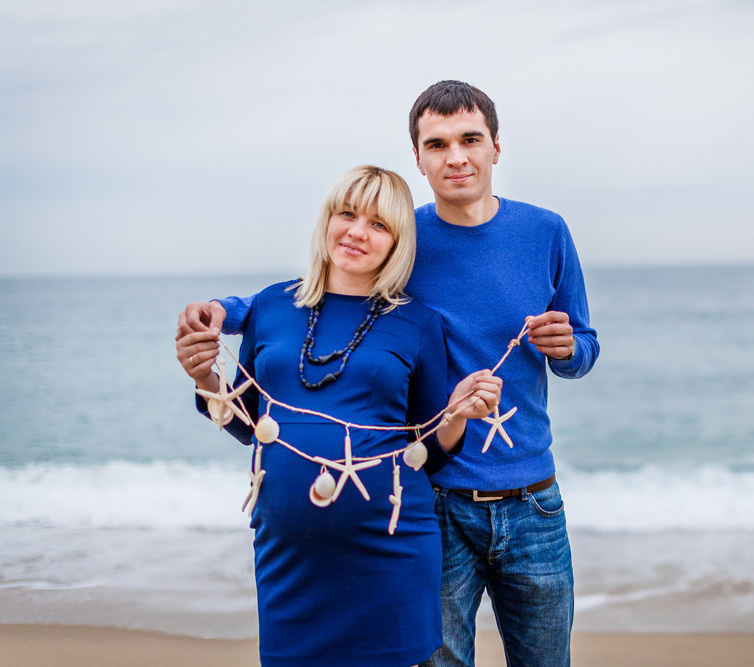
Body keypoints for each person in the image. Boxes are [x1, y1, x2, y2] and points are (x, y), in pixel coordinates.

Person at [178, 81, 599, 667]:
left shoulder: (546, 232)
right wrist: (225, 310)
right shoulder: (402, 230)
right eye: (438, 144)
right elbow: (311, 297)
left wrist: (567, 349)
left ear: (496, 147)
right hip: (440, 498)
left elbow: (584, 345)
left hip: (533, 499)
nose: (457, 157)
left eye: (470, 139)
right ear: (419, 157)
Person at [174, 165, 503, 667]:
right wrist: (205, 380)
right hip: (289, 558)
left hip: (390, 554)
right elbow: (248, 426)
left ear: (397, 243)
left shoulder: (418, 322)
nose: (356, 232)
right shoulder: (271, 306)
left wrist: (457, 414)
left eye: (379, 224)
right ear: (327, 219)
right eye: (346, 214)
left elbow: (428, 451)